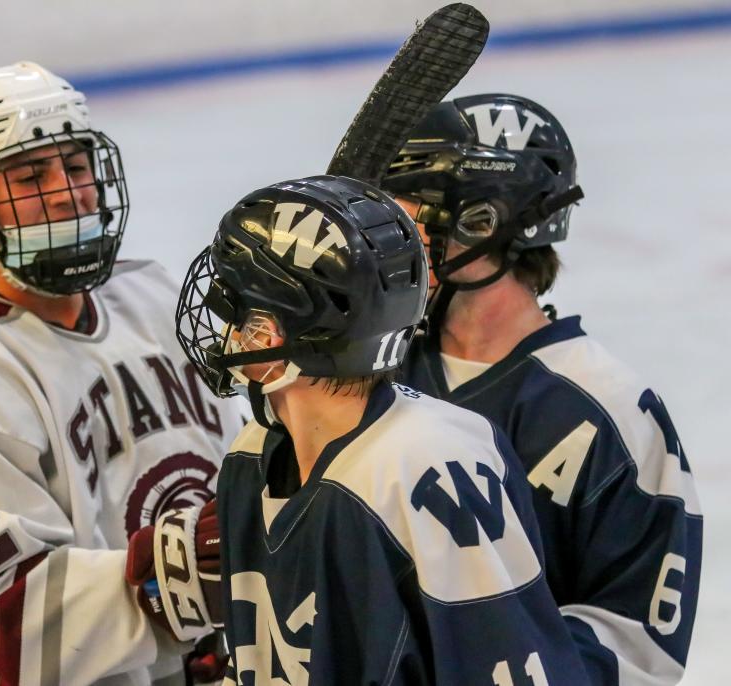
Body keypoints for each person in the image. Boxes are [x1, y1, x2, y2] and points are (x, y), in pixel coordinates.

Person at [0, 61, 243, 686]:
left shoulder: (153, 294)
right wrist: (181, 575)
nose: (67, 190)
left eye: (74, 166)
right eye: (29, 175)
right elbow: (5, 622)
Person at [163, 174, 590, 684]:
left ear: (274, 331)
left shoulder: (435, 467)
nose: (223, 326)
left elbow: (510, 667)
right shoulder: (251, 456)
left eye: (234, 304)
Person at [381, 93, 703, 684]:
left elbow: (639, 647)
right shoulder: (376, 372)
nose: (389, 237)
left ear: (484, 223)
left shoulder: (610, 408)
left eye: (414, 214)